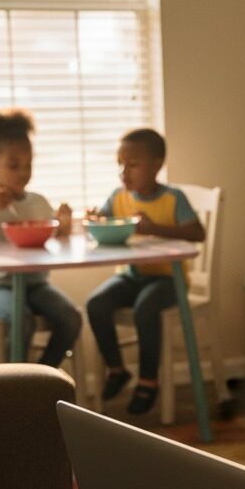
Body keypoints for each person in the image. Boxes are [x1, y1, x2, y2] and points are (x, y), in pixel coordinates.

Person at [86, 128, 205, 415]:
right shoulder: (119, 197)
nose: (124, 172)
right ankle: (117, 369)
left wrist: (154, 228)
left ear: (156, 165)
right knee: (96, 304)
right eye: (120, 164)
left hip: (166, 279)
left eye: (133, 164)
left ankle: (148, 381)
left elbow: (197, 232)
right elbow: (103, 218)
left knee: (146, 309)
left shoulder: (173, 198)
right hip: (130, 276)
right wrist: (95, 218)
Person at [0, 107, 81, 368]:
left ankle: (41, 378)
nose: (23, 172)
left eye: (28, 164)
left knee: (71, 318)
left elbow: (56, 234)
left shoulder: (39, 201)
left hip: (36, 285)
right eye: (13, 165)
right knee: (23, 321)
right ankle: (15, 386)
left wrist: (64, 222)